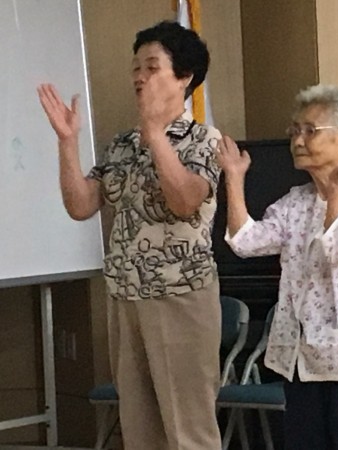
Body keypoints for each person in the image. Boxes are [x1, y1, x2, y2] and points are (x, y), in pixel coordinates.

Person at [37, 21, 222, 450]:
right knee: (139, 430)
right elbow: (81, 205)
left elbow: (185, 200)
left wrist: (155, 133)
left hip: (180, 297)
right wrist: (67, 142)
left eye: (152, 67)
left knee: (189, 431)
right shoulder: (122, 145)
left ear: (184, 77)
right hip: (125, 297)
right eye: (136, 67)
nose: (140, 76)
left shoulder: (203, 140)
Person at [217, 84, 338, 450]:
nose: (298, 141)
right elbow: (245, 242)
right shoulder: (296, 201)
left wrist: (337, 189)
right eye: (294, 131)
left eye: (309, 131)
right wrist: (234, 177)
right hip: (303, 361)